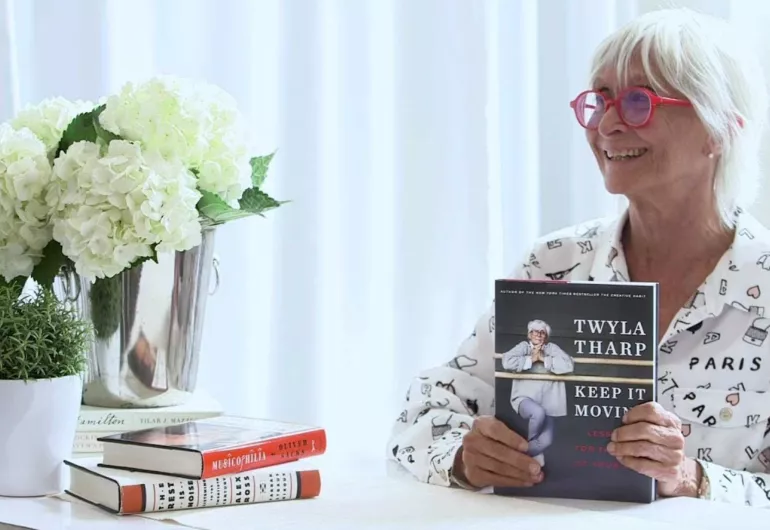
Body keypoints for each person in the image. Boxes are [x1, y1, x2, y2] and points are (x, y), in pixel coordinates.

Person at [387, 8, 770, 507]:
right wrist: (464, 455)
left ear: (718, 131)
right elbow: (421, 413)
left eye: (639, 102)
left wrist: (693, 478)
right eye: (601, 100)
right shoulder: (556, 263)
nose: (607, 125)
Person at [501, 319, 574, 467]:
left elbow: (568, 365)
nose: (539, 335)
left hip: (549, 403)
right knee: (537, 413)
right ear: (529, 334)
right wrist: (532, 359)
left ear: (546, 336)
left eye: (542, 332)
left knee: (547, 440)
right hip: (524, 399)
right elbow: (506, 361)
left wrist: (543, 359)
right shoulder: (523, 347)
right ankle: (529, 446)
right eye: (535, 331)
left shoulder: (552, 348)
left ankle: (520, 457)